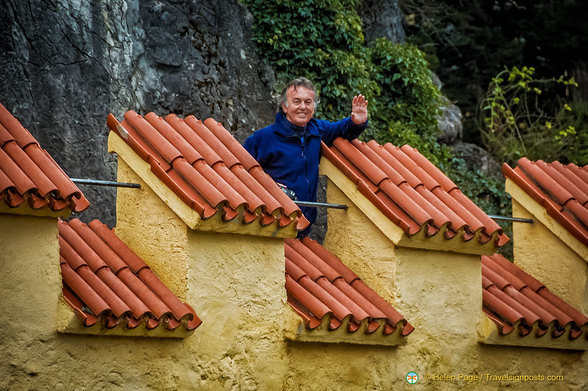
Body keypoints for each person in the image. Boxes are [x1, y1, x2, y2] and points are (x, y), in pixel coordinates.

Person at [243, 78, 369, 237]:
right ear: (284, 106)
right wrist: (270, 186)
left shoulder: (317, 130)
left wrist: (356, 122)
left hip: (305, 225)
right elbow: (240, 172)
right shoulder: (262, 139)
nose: (303, 107)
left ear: (314, 107)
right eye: (297, 101)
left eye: (308, 102)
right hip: (272, 224)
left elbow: (342, 129)